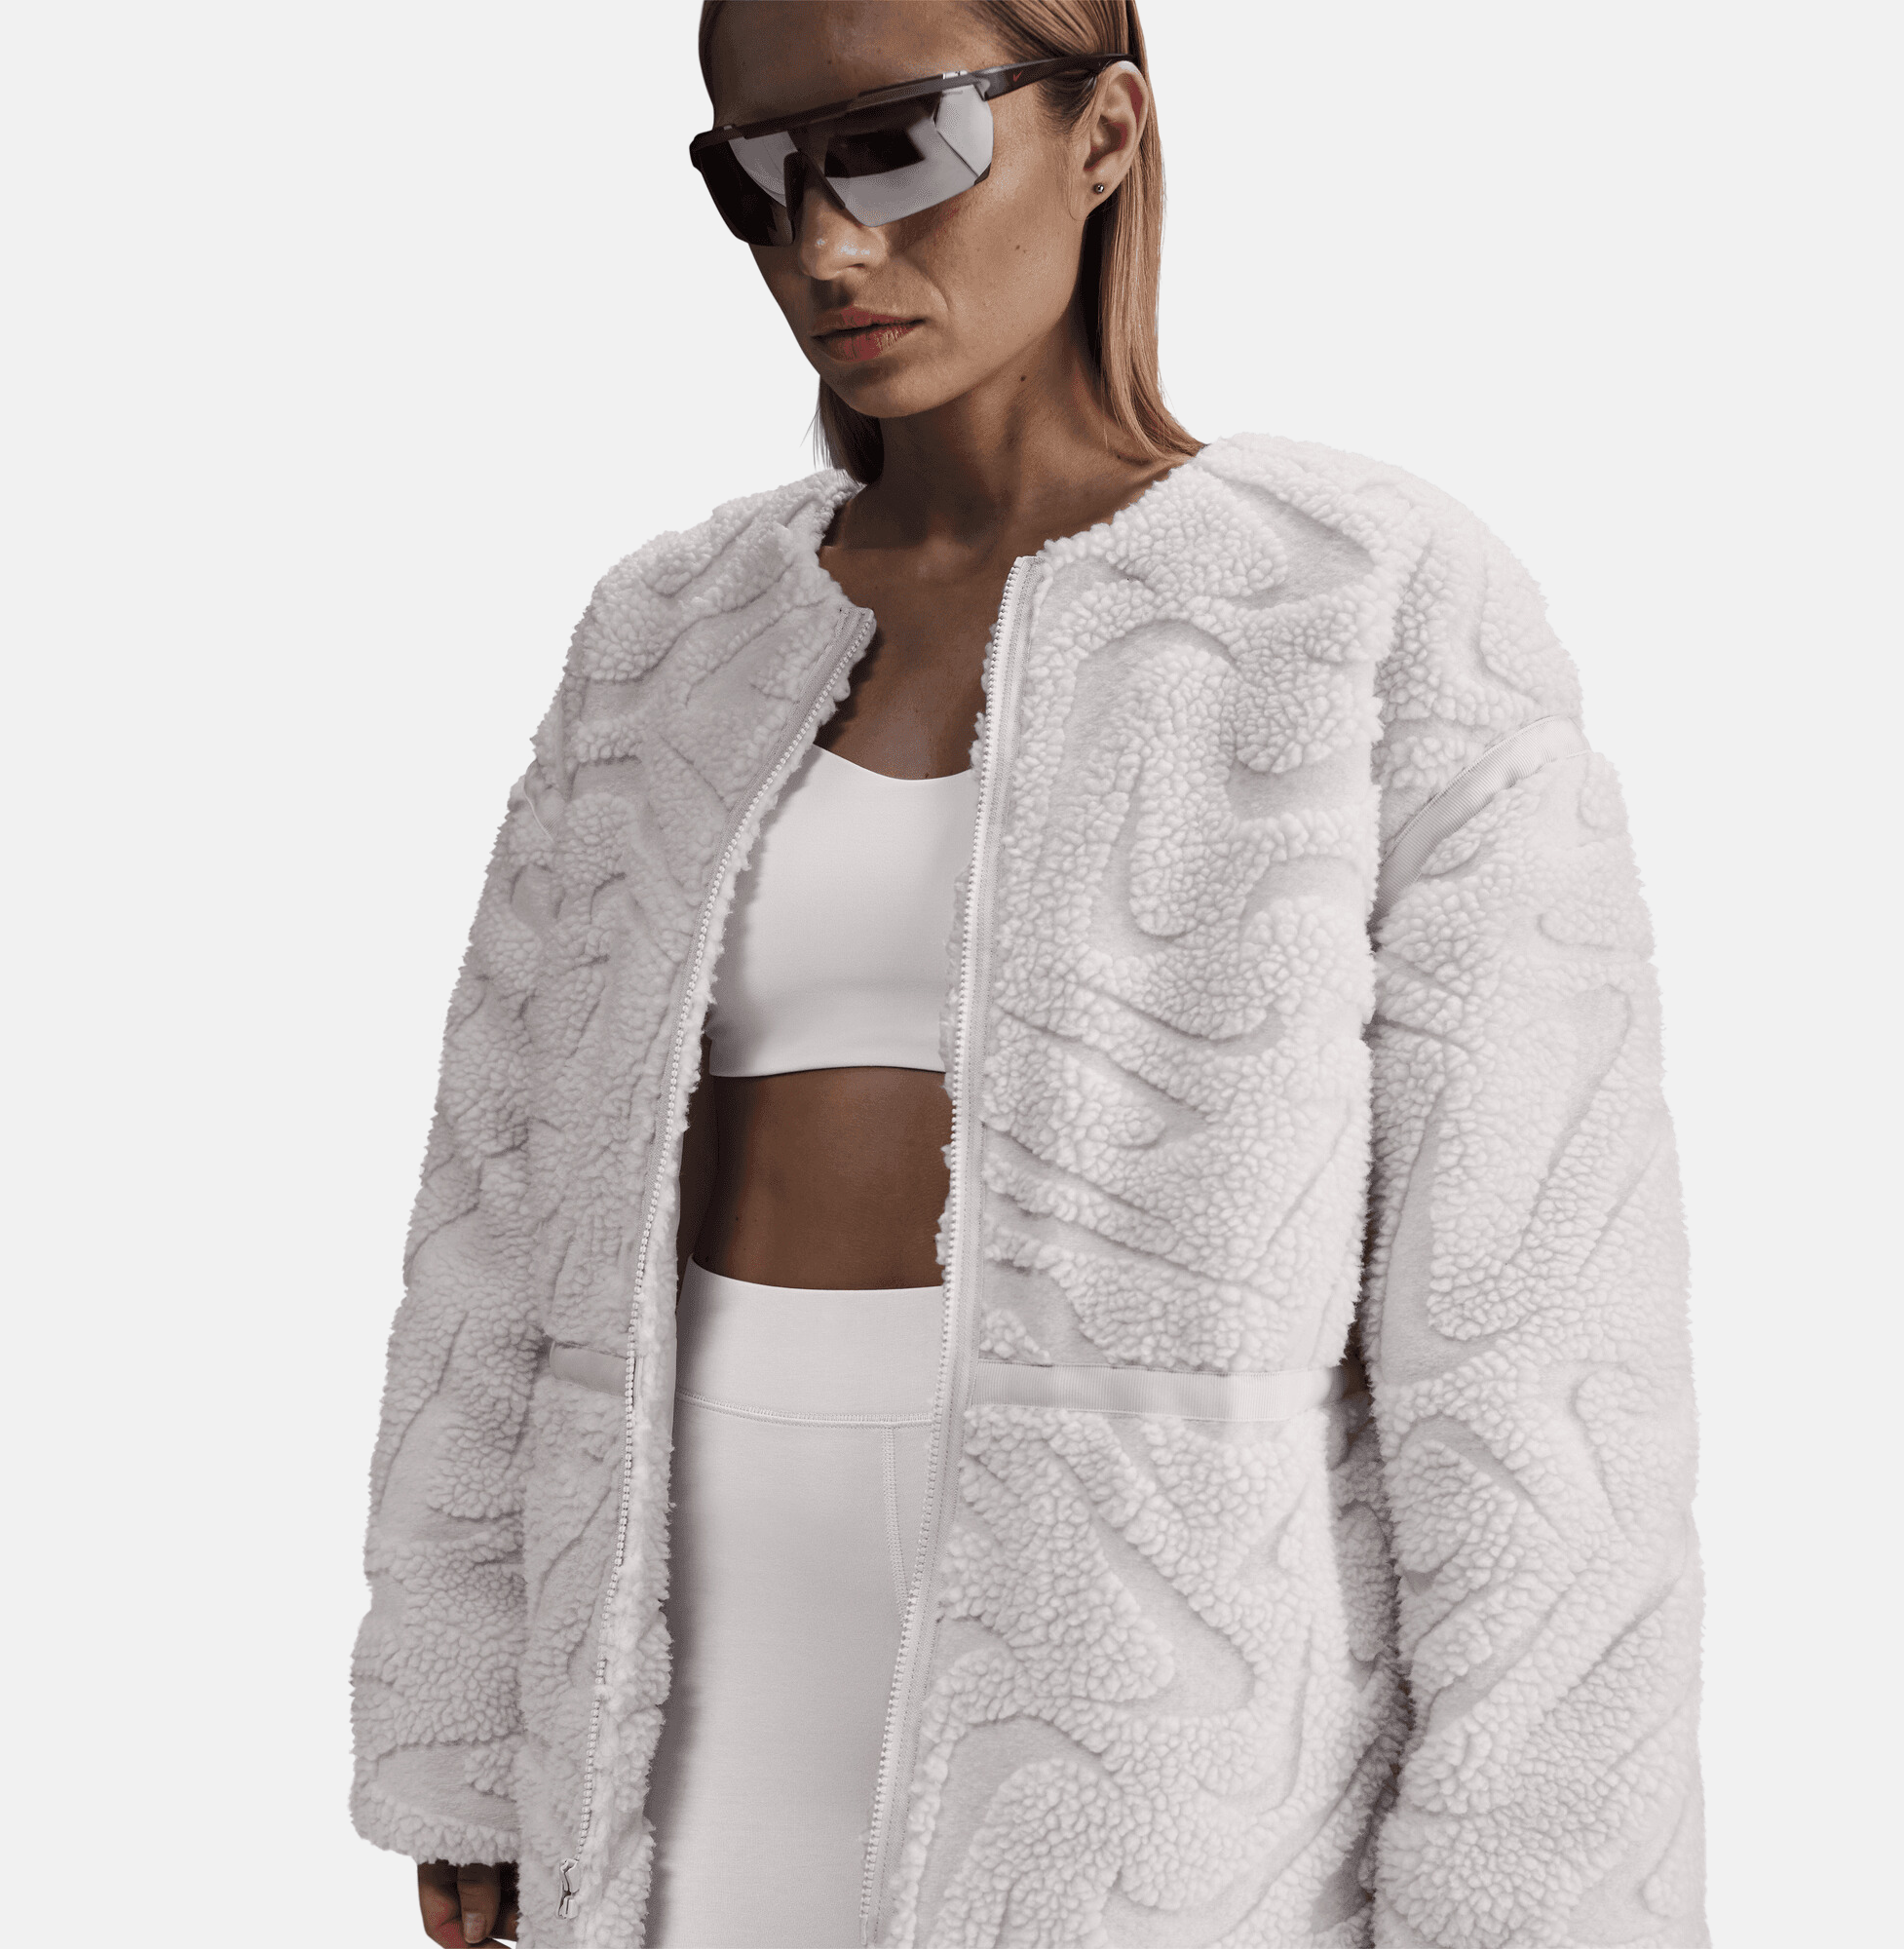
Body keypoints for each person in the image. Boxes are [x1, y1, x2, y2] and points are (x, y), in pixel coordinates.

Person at [349, 3, 1710, 1945]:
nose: (826, 243)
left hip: (1148, 1701)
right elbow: (496, 1209)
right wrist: (461, 1731)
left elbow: (1538, 1322)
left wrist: (1536, 1897)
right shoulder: (670, 632)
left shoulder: (1354, 599)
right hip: (665, 1644)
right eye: (758, 177)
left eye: (898, 143)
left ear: (1104, 132)